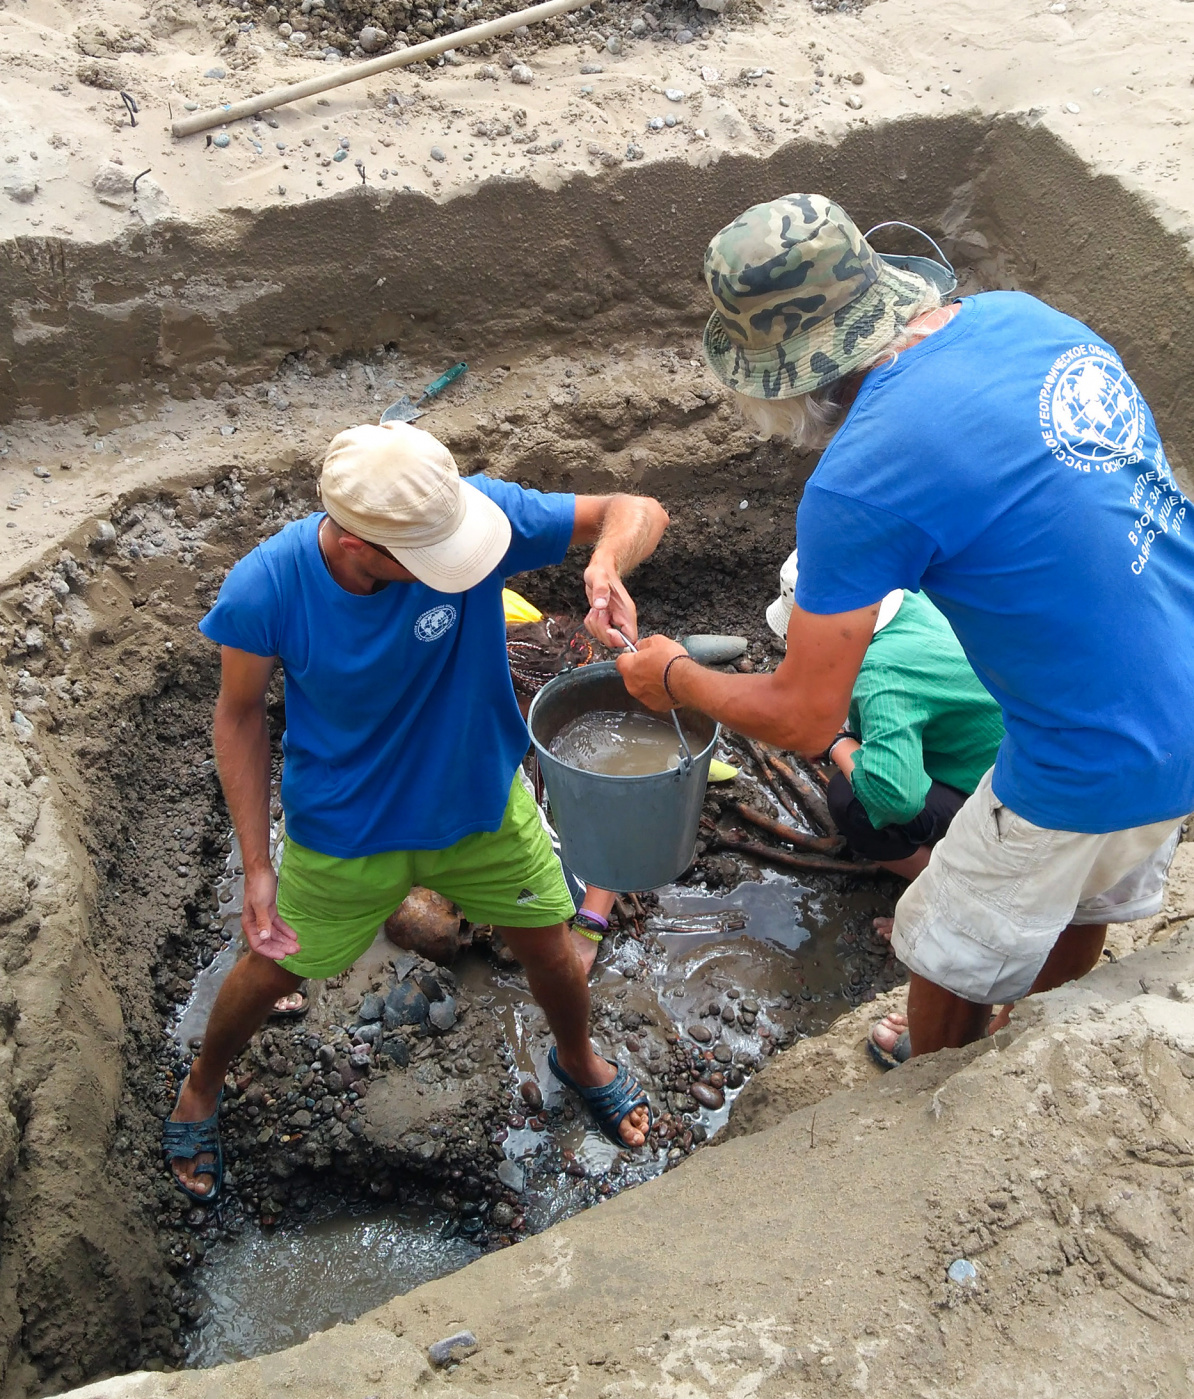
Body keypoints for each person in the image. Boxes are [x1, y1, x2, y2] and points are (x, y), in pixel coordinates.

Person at [618, 193, 1194, 1063]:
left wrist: (673, 679)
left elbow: (807, 718)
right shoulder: (1026, 319)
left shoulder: (861, 479)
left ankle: (931, 1080)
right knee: (1083, 896)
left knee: (946, 943)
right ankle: (1035, 1032)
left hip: (1091, 749)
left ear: (793, 378)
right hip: (1178, 677)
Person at [164, 422, 669, 1200]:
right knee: (272, 967)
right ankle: (202, 1083)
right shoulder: (267, 587)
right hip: (344, 829)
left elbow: (636, 507)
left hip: (481, 807)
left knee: (551, 953)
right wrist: (258, 867)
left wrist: (604, 566)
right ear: (360, 544)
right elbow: (238, 718)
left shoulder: (475, 518)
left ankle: (577, 1057)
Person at [766, 549, 1005, 883]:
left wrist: (835, 741)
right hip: (1015, 748)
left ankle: (953, 896)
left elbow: (895, 800)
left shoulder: (879, 672)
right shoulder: (914, 595)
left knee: (849, 801)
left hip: (1011, 804)